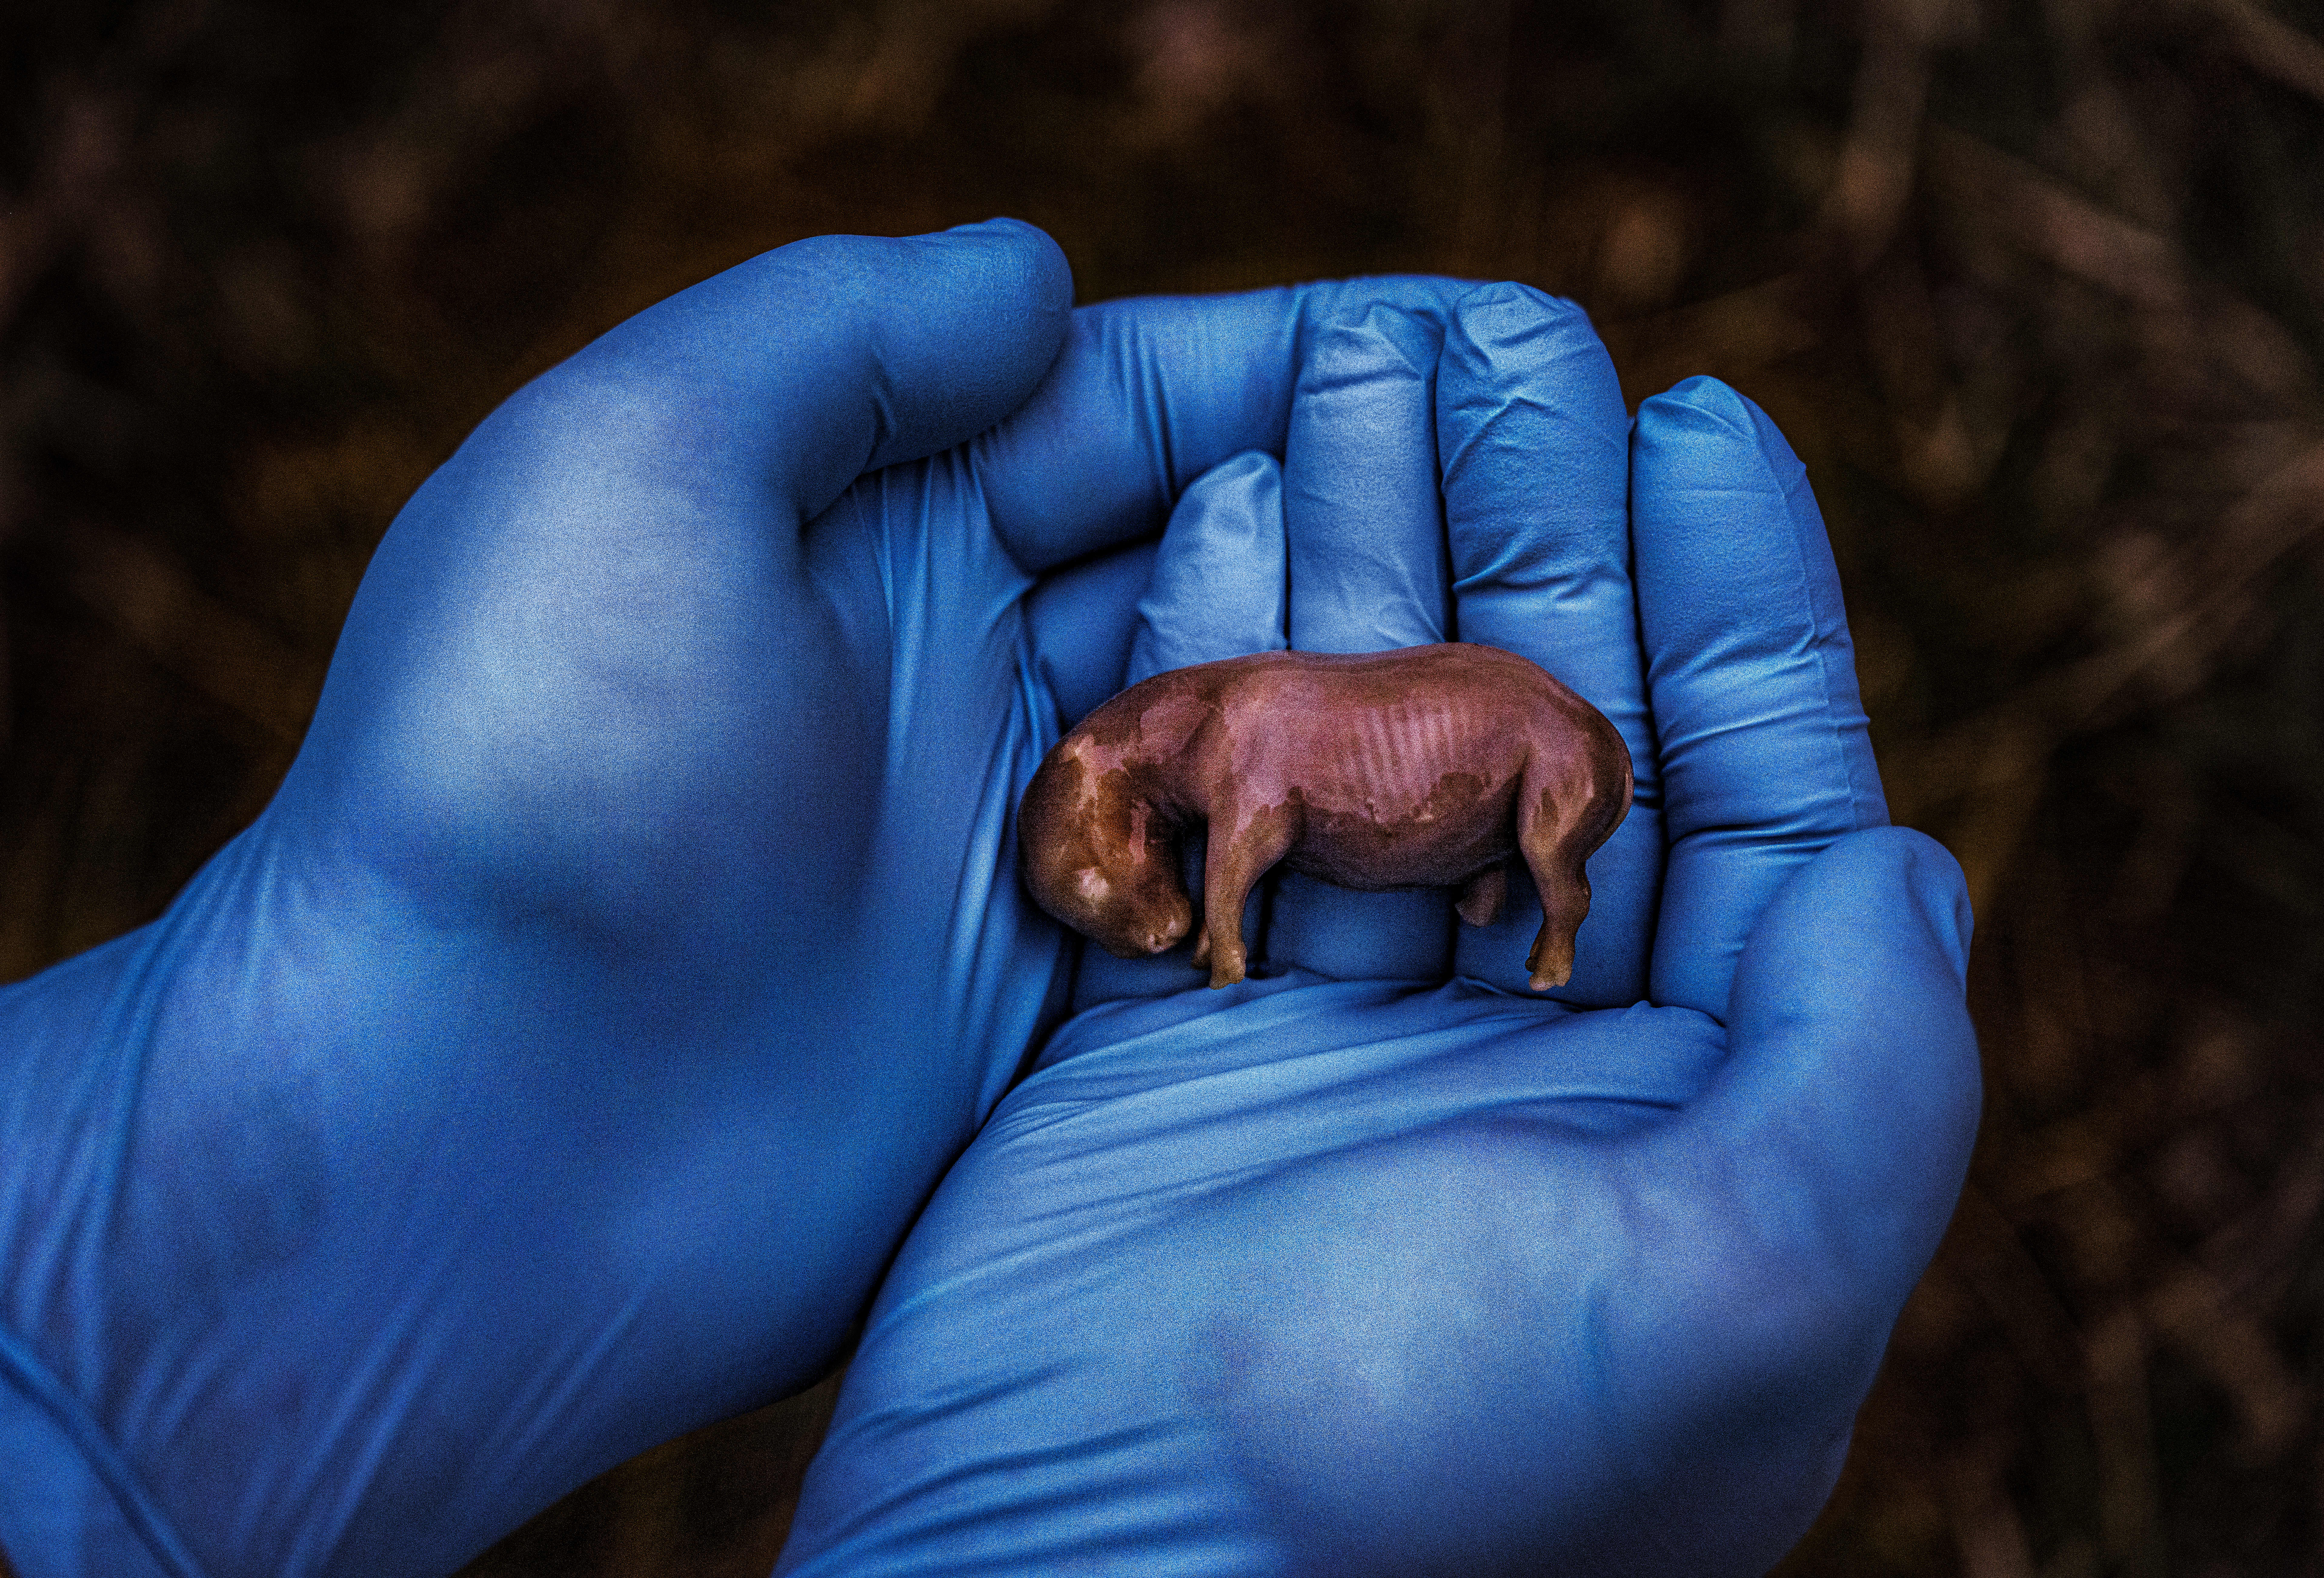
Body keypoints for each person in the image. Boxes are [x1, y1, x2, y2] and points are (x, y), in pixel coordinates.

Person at [0, 219, 1978, 1578]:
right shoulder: (1181, 745)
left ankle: (1516, 918)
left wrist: (119, 1331)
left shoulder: (1235, 746)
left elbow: (1249, 832)